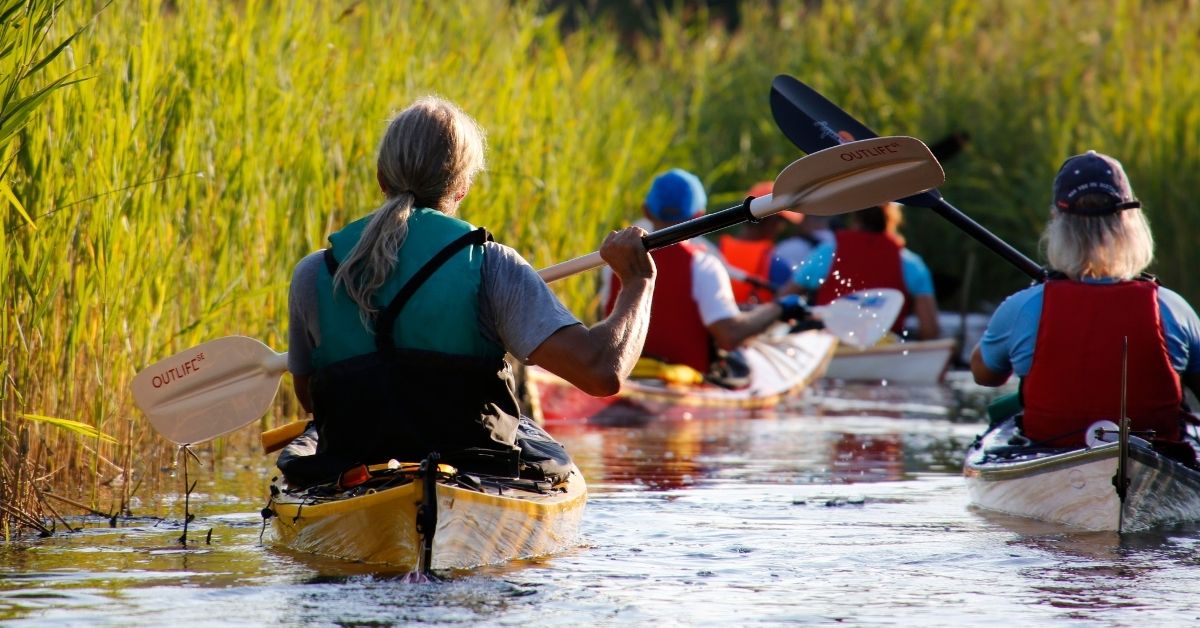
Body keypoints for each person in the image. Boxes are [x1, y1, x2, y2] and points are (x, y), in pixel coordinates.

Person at [282, 97, 656, 485]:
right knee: (545, 452)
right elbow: (602, 372)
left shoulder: (314, 273)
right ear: (462, 187)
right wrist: (637, 283)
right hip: (471, 473)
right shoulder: (492, 266)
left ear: (381, 177)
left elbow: (312, 400)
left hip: (356, 472)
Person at [971, 150, 1200, 450]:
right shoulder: (1173, 308)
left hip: (1050, 454)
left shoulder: (1022, 308)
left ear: (1057, 223)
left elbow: (984, 373)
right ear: (1130, 223)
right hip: (1152, 462)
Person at [602, 168, 813, 385]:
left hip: (625, 374)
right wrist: (780, 308)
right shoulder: (704, 266)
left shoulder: (614, 261)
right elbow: (730, 335)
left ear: (646, 211)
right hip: (686, 383)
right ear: (699, 216)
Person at [784, 202, 940, 340]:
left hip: (829, 346)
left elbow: (785, 298)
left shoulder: (828, 252)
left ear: (855, 219)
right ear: (892, 220)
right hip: (881, 353)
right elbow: (929, 330)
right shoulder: (911, 263)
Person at [718, 181, 794, 305]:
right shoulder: (778, 265)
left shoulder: (716, 250)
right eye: (781, 221)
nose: (782, 227)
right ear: (771, 220)